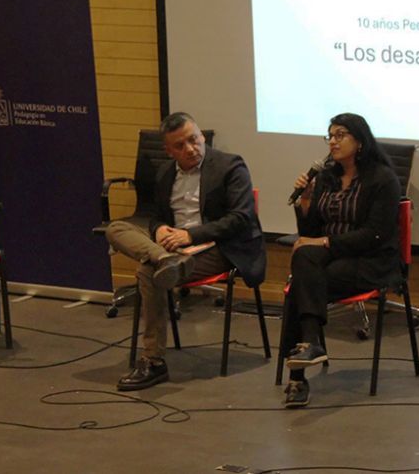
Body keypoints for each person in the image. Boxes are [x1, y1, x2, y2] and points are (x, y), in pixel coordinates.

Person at [106, 112, 266, 391]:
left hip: (219, 246)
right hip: (173, 248)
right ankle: (164, 258)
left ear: (202, 136)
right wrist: (159, 230)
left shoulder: (230, 166)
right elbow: (157, 216)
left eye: (193, 140)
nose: (190, 149)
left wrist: (191, 235)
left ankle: (153, 360)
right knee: (116, 229)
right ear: (169, 150)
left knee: (148, 272)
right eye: (180, 146)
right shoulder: (165, 173)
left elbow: (241, 218)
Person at [280, 113, 401, 408]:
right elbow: (310, 232)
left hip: (369, 260)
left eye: (340, 135)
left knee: (301, 283)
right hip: (328, 260)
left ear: (360, 141)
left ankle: (297, 377)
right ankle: (310, 346)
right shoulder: (326, 177)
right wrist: (306, 201)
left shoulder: (383, 179)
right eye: (330, 136)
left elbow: (375, 235)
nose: (333, 142)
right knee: (304, 270)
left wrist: (325, 242)